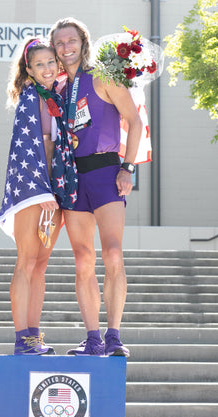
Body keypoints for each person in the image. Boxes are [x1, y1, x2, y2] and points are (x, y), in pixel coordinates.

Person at [50, 18, 143, 356]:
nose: (65, 47)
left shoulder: (103, 76)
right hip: (72, 179)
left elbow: (134, 121)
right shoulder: (57, 89)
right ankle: (92, 338)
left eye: (71, 40)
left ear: (83, 42)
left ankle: (114, 336)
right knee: (82, 260)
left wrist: (128, 168)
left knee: (113, 253)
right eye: (59, 43)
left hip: (106, 172)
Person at [0, 36, 77, 355]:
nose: (46, 68)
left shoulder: (55, 97)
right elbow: (24, 151)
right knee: (26, 262)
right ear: (28, 70)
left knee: (41, 265)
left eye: (50, 63)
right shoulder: (31, 98)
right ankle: (22, 339)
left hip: (53, 190)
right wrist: (41, 190)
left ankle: (34, 336)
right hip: (33, 191)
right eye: (39, 64)